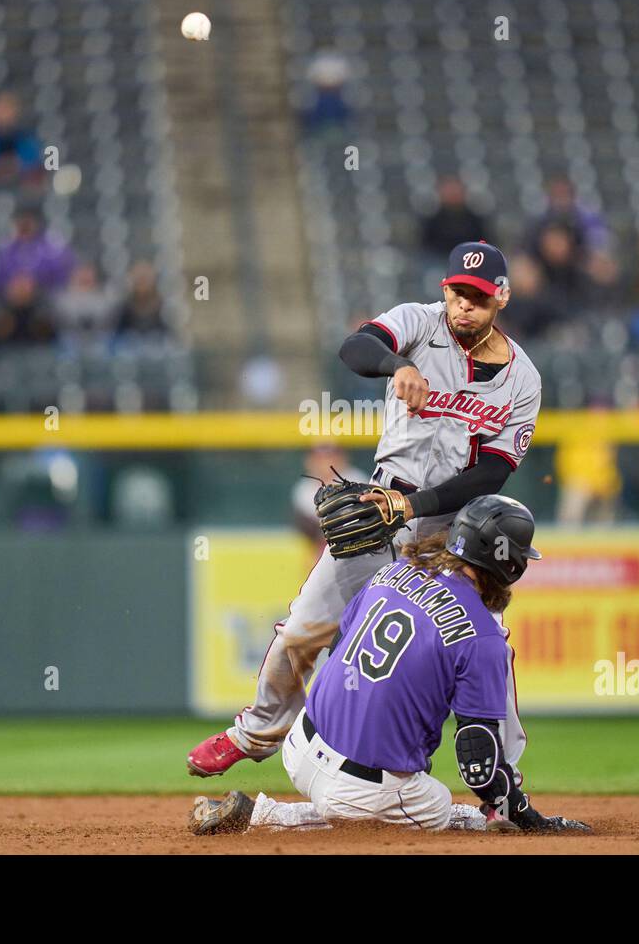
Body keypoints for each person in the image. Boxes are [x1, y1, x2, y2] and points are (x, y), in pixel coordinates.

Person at [186, 241, 542, 780]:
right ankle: (252, 733)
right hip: (379, 510)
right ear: (445, 290)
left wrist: (415, 504)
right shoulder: (420, 324)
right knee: (303, 628)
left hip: (455, 536)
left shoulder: (523, 380)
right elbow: (357, 347)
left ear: (502, 300)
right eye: (458, 293)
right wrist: (397, 364)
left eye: (479, 297)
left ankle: (503, 780)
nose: (465, 305)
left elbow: (491, 474)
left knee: (490, 646)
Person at [189, 495, 589, 835]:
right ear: (509, 565)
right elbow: (477, 764)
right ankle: (266, 818)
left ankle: (329, 802)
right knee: (443, 806)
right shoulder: (483, 637)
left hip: (299, 745)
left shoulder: (393, 571)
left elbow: (340, 646)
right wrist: (525, 816)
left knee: (390, 794)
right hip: (360, 788)